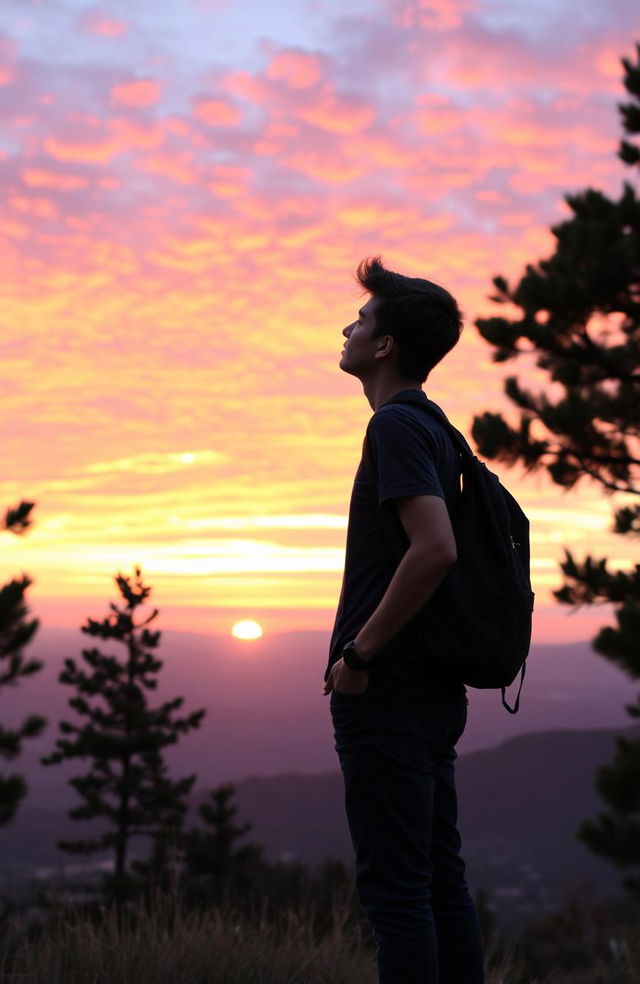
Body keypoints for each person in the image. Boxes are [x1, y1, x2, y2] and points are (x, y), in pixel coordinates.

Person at [323, 257, 485, 983]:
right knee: (438, 882)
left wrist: (359, 655)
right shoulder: (438, 431)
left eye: (361, 320)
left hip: (385, 692)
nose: (349, 328)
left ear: (385, 346)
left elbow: (435, 550)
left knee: (397, 894)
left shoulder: (395, 428)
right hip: (430, 688)